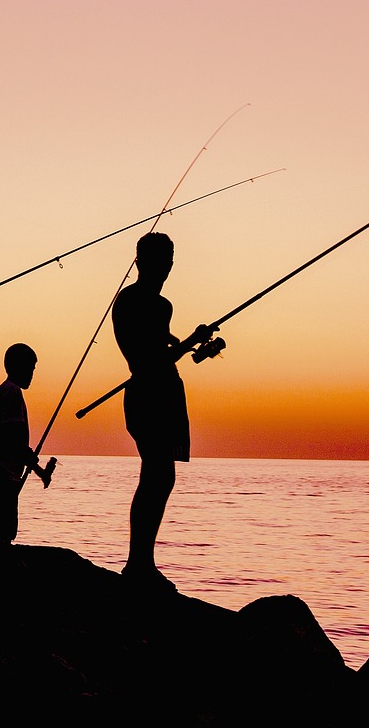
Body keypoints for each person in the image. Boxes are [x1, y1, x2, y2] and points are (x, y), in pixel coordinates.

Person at [112, 232, 216, 591]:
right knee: (156, 475)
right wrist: (187, 343)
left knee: (161, 476)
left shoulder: (155, 305)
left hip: (164, 392)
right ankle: (138, 563)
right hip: (148, 393)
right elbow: (149, 357)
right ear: (141, 261)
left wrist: (188, 340)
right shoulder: (139, 302)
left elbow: (161, 343)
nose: (167, 265)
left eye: (170, 258)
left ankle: (142, 561)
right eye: (161, 258)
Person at [0, 343, 56, 548]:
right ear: (17, 367)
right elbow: (11, 437)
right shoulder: (12, 393)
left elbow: (11, 441)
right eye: (30, 368)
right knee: (3, 531)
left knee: (1, 530)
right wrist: (34, 464)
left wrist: (38, 470)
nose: (31, 375)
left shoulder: (6, 391)